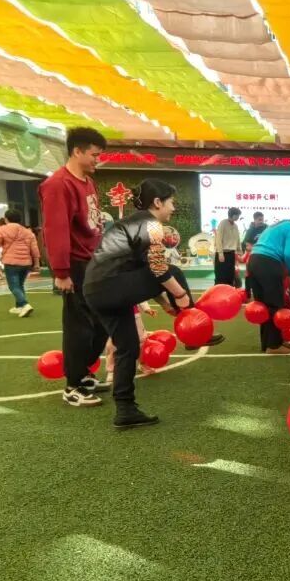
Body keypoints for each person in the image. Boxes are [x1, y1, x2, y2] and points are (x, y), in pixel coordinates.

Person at [83, 179, 196, 429]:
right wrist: (180, 298)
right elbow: (158, 267)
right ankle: (195, 330)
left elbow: (143, 270)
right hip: (112, 287)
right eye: (171, 202)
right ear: (157, 202)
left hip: (96, 291)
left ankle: (125, 410)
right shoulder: (151, 224)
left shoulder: (132, 223)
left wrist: (164, 302)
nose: (173, 208)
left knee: (127, 348)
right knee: (174, 271)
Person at [39, 126, 110, 408]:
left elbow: (94, 225)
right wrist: (61, 272)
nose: (97, 160)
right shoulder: (58, 185)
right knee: (79, 327)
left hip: (94, 262)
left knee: (101, 322)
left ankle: (83, 373)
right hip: (75, 265)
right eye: (94, 155)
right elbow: (55, 230)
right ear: (77, 151)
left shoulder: (87, 182)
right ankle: (73, 386)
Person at [248, 210, 290, 354]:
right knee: (275, 305)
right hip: (268, 262)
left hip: (254, 260)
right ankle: (274, 345)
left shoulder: (278, 224)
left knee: (263, 307)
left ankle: (267, 343)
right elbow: (288, 254)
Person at [0, 208, 40, 317]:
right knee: (20, 285)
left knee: (13, 286)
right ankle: (19, 307)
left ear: (6, 219)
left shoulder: (2, 230)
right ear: (20, 219)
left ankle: (24, 304)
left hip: (11, 262)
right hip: (26, 262)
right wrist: (37, 263)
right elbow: (35, 249)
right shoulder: (28, 232)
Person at [214, 207, 242, 285]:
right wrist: (220, 253)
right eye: (237, 215)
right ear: (233, 215)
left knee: (230, 274)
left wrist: (239, 250)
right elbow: (218, 238)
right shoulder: (223, 223)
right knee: (221, 274)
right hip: (223, 253)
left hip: (231, 253)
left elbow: (237, 238)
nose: (238, 217)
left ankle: (229, 289)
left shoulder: (235, 225)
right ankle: (219, 290)